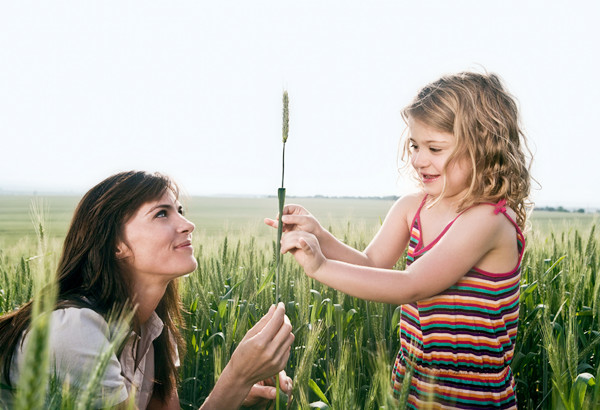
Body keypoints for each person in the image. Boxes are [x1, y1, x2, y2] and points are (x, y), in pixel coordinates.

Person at [267, 72, 531, 409]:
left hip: (473, 399)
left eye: (434, 148)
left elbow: (412, 285)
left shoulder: (488, 219)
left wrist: (320, 266)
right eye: (415, 145)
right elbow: (371, 263)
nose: (419, 159)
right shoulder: (412, 208)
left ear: (481, 147)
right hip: (411, 389)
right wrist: (319, 235)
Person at [0, 171, 294, 409]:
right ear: (116, 244)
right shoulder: (74, 331)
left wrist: (237, 394)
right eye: (162, 214)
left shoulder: (154, 332)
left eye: (180, 210)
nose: (188, 224)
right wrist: (236, 375)